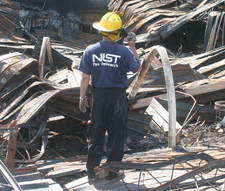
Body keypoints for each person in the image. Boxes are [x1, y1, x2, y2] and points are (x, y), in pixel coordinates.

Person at [78, 12, 140, 181]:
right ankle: (112, 172)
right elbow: (136, 68)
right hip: (118, 97)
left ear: (102, 30)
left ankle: (92, 171)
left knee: (96, 132)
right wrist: (133, 46)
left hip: (98, 96)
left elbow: (85, 78)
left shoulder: (90, 51)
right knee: (116, 133)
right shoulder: (124, 52)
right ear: (118, 32)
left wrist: (82, 98)